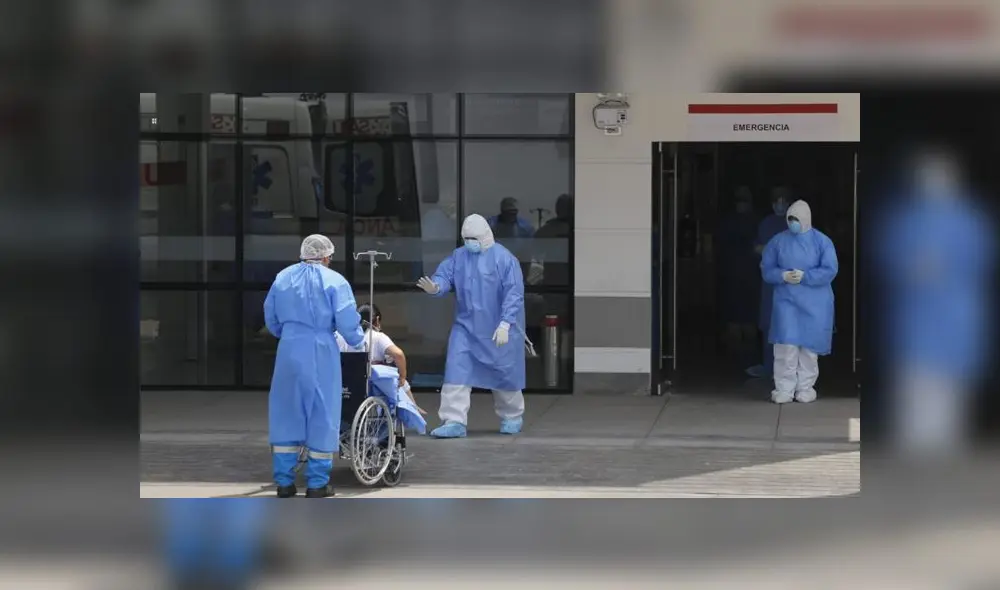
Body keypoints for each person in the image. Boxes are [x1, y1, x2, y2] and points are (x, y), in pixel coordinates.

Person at [878, 147, 995, 456]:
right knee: (915, 398)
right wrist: (910, 267)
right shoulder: (906, 219)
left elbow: (982, 258)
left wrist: (946, 268)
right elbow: (888, 257)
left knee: (951, 402)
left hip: (956, 319)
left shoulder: (969, 219)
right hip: (916, 320)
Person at [264, 234, 364, 498]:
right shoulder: (335, 281)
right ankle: (317, 484)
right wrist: (357, 339)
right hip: (320, 347)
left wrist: (288, 332)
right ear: (327, 256)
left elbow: (271, 317)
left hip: (289, 348)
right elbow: (347, 321)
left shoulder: (282, 278)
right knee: (322, 410)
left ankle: (284, 483)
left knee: (286, 409)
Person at [416, 214, 527, 438]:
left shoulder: (505, 260)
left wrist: (506, 323)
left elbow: (513, 295)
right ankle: (453, 420)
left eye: (473, 238)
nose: (469, 242)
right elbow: (445, 276)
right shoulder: (459, 257)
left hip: (498, 329)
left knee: (504, 375)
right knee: (456, 371)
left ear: (486, 236)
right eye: (466, 238)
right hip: (466, 328)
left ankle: (512, 415)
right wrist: (436, 287)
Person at [760, 200, 838, 404]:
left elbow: (830, 270)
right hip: (787, 302)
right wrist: (782, 275)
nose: (793, 223)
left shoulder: (822, 242)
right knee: (786, 346)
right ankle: (784, 389)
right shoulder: (778, 241)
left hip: (815, 304)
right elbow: (766, 268)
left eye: (796, 219)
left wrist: (807, 276)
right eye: (790, 219)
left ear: (806, 219)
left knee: (809, 350)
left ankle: (805, 388)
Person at [336, 302, 428, 416]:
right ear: (378, 320)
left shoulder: (342, 335)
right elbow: (398, 354)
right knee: (401, 381)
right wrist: (403, 377)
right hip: (370, 384)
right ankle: (413, 409)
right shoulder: (377, 337)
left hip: (344, 382)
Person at [746, 187, 793, 378]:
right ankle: (769, 366)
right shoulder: (766, 224)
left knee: (790, 326)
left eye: (783, 201)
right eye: (777, 201)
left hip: (790, 284)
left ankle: (788, 369)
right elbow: (757, 247)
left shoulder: (794, 224)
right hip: (771, 283)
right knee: (769, 324)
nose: (780, 205)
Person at [717, 186, 761, 353]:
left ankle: (743, 353)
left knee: (747, 317)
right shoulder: (732, 222)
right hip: (737, 275)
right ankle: (737, 354)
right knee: (737, 316)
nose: (741, 204)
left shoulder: (755, 221)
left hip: (747, 275)